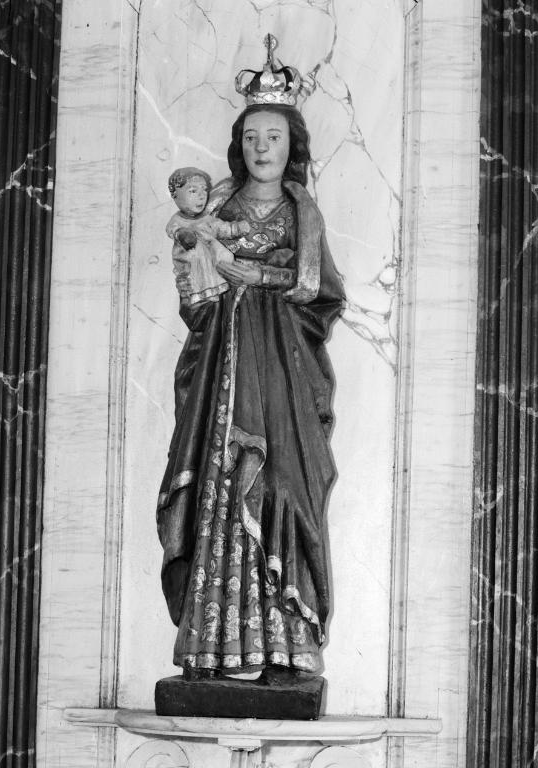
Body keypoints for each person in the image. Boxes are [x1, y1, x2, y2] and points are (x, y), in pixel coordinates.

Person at [156, 40, 344, 683]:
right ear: (240, 145)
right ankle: (214, 647)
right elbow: (196, 283)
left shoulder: (302, 211)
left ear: (292, 146)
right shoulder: (218, 207)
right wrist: (202, 272)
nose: (263, 147)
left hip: (284, 377)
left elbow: (319, 289)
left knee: (283, 484)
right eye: (252, 137)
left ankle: (288, 643)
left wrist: (258, 275)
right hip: (224, 367)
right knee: (222, 483)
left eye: (275, 137)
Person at [166, 167, 251, 306]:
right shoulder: (178, 220)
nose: (201, 196)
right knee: (194, 272)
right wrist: (181, 234)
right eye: (193, 191)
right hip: (190, 262)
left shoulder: (207, 219)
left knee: (218, 267)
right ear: (175, 195)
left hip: (211, 261)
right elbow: (172, 230)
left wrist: (236, 228)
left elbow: (222, 228)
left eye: (204, 190)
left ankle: (212, 293)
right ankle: (197, 295)